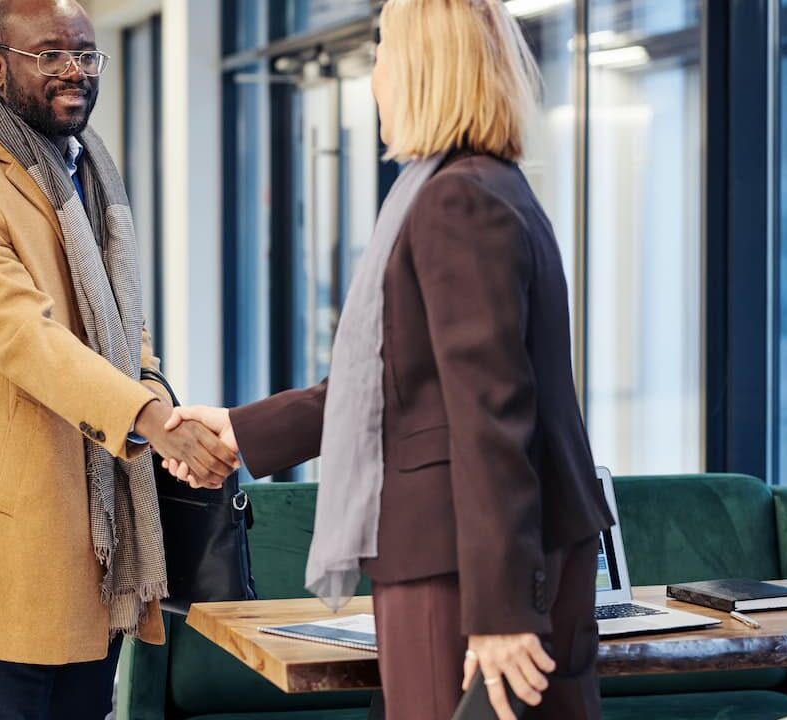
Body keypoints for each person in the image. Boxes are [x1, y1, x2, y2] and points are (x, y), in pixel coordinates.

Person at [161, 1, 613, 718]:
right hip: (483, 553)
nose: (374, 78)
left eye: (380, 55)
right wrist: (239, 431)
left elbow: (492, 417)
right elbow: (403, 382)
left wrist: (498, 609)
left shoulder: (455, 201)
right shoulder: (490, 189)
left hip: (457, 565)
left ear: (420, 67)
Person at [0, 1, 237, 717]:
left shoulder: (90, 176)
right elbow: (26, 337)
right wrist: (151, 417)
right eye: (49, 54)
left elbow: (126, 328)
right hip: (20, 526)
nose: (74, 71)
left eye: (86, 54)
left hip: (101, 525)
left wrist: (155, 395)